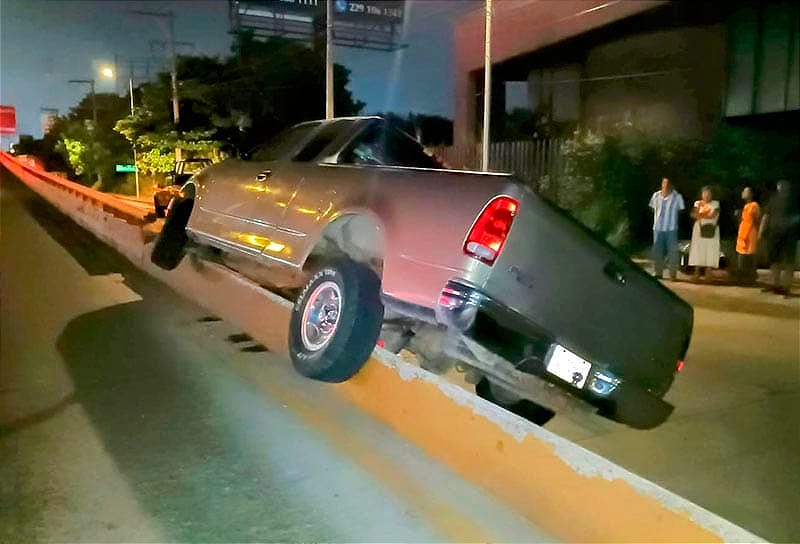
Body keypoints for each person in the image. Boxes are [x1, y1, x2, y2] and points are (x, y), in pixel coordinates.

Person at [759, 180, 799, 295]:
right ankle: (775, 284)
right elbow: (766, 215)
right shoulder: (773, 199)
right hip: (774, 234)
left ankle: (786, 286)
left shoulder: (794, 201)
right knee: (774, 260)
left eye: (784, 187)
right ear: (777, 187)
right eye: (780, 186)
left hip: (790, 235)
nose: (782, 188)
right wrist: (760, 232)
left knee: (789, 262)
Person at [649, 177, 685, 280]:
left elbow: (681, 210)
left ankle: (672, 274)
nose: (665, 185)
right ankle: (658, 272)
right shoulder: (656, 195)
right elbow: (652, 208)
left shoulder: (677, 197)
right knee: (657, 251)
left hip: (671, 229)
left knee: (673, 252)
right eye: (664, 183)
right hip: (658, 228)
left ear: (671, 185)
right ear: (661, 184)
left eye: (668, 183)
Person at [688, 186, 721, 281]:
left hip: (711, 229)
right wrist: (704, 215)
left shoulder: (716, 203)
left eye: (708, 193)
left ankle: (708, 274)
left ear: (712, 194)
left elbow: (713, 215)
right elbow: (693, 214)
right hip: (699, 229)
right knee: (698, 250)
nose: (706, 195)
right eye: (704, 193)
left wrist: (700, 215)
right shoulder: (698, 203)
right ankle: (696, 274)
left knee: (710, 251)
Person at [735, 187, 761, 284]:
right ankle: (742, 275)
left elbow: (757, 220)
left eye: (745, 191)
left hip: (751, 232)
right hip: (743, 231)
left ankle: (752, 275)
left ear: (750, 194)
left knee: (751, 253)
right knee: (741, 252)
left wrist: (758, 232)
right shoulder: (745, 206)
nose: (743, 193)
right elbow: (742, 220)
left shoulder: (754, 205)